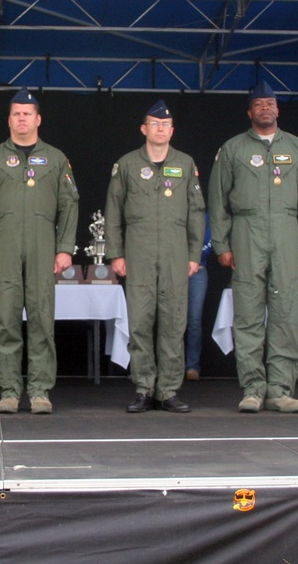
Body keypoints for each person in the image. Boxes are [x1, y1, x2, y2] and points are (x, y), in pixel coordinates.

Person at [208, 81, 298, 413]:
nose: (265, 108)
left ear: (278, 109)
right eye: (259, 104)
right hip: (246, 232)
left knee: (285, 312)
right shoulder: (232, 149)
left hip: (286, 232)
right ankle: (253, 389)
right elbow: (217, 201)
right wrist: (222, 245)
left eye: (270, 103)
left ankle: (281, 389)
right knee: (248, 315)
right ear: (249, 112)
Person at [0, 88, 79, 414]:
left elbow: (69, 204)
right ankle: (8, 390)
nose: (21, 118)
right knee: (5, 319)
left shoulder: (57, 158)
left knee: (42, 318)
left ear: (38, 119)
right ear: (9, 119)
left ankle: (40, 390)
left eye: (27, 113)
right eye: (16, 113)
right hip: (3, 246)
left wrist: (64, 248)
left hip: (43, 244)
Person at [104, 100, 205, 413]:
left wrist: (193, 254)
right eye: (154, 124)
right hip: (139, 252)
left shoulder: (186, 164)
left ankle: (168, 390)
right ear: (143, 129)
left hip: (176, 254)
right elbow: (113, 212)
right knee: (141, 323)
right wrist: (116, 254)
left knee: (174, 322)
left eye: (165, 125)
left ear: (172, 130)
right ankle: (144, 387)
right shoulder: (127, 165)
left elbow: (197, 212)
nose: (160, 129)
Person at [185, 214, 213, 382]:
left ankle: (192, 366)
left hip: (198, 270)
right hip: (172, 269)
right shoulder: (174, 208)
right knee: (171, 319)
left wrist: (194, 257)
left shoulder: (204, 215)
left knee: (194, 319)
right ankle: (171, 366)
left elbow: (210, 241)